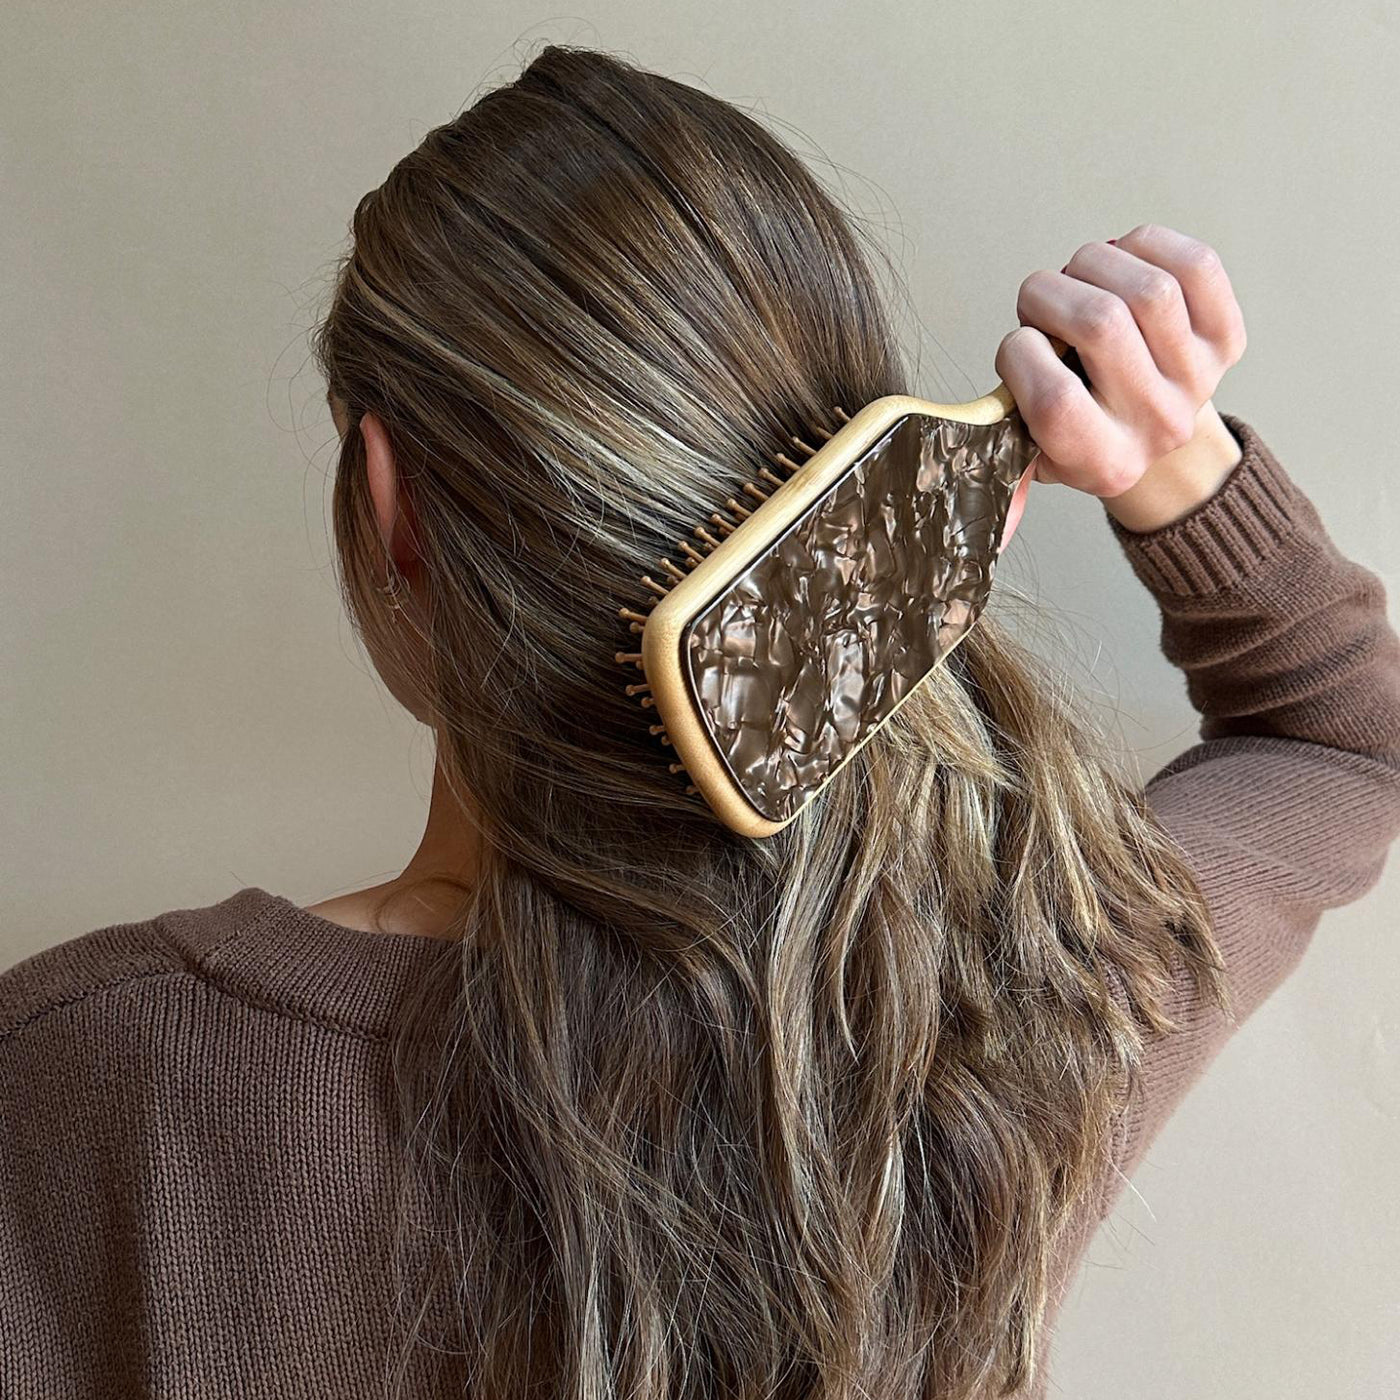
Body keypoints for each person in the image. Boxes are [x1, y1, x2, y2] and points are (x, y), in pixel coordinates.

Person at [3, 43, 1397, 1400]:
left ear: (391, 506)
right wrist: (1178, 460)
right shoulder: (998, 1026)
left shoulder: (80, 1083)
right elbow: (1346, 745)